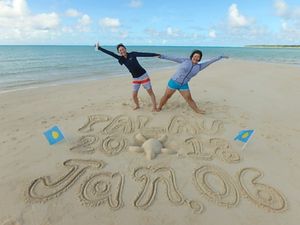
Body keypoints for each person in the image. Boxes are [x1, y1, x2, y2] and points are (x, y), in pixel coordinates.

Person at [95, 42, 160, 111]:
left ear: (125, 49)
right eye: (120, 50)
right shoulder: (121, 59)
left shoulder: (132, 54)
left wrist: (155, 55)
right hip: (135, 79)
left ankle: (154, 107)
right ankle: (137, 105)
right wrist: (99, 48)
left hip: (143, 76)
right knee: (134, 95)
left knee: (150, 92)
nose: (122, 51)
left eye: (123, 49)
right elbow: (111, 53)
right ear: (118, 52)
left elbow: (143, 54)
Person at [158, 50, 228, 114]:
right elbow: (173, 58)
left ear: (199, 59)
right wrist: (162, 56)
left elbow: (210, 61)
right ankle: (159, 107)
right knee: (167, 96)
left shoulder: (200, 66)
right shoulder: (185, 61)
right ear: (192, 56)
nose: (196, 58)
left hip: (184, 84)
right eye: (195, 56)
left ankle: (197, 110)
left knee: (189, 99)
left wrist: (220, 57)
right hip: (174, 82)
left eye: (198, 57)